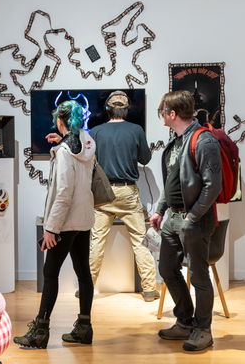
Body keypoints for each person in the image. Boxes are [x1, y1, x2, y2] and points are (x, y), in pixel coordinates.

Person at [13, 100, 95, 349]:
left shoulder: (63, 153)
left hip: (65, 222)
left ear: (61, 121)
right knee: (83, 272)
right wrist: (59, 142)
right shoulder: (88, 143)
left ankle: (40, 331)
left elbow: (63, 193)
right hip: (83, 219)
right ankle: (84, 328)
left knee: (50, 273)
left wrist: (51, 228)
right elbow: (78, 173)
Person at [150, 90, 222, 351]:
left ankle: (203, 330)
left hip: (195, 220)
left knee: (199, 276)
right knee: (167, 269)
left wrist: (192, 216)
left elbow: (212, 186)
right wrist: (160, 210)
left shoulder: (204, 141)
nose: (161, 115)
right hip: (172, 219)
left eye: (162, 111)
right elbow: (171, 180)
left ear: (171, 114)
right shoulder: (176, 141)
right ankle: (185, 321)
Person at [87, 90, 159, 302]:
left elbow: (89, 161)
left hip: (103, 192)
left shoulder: (95, 132)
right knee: (140, 241)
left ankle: (86, 288)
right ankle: (148, 290)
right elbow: (145, 158)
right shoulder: (136, 130)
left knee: (97, 241)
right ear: (126, 110)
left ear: (108, 109)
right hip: (127, 192)